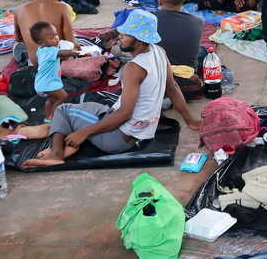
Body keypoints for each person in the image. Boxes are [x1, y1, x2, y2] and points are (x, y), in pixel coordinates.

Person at [24, 10, 198, 168]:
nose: (120, 36)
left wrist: (83, 133)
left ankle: (56, 155)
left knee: (63, 110)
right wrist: (189, 120)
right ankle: (66, 145)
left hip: (119, 139)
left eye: (125, 34)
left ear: (138, 40)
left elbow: (125, 114)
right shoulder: (159, 51)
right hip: (142, 131)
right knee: (94, 108)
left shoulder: (134, 68)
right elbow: (173, 87)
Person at [151, 0, 203, 71]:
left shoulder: (148, 19)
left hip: (157, 70)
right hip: (187, 72)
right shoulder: (198, 21)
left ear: (160, 0)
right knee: (203, 51)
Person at [31, 20, 77, 121]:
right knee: (63, 96)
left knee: (51, 99)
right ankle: (54, 116)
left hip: (41, 83)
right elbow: (61, 53)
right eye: (51, 38)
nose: (56, 38)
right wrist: (71, 52)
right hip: (48, 84)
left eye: (56, 35)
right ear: (41, 42)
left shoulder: (41, 49)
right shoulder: (51, 50)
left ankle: (47, 118)